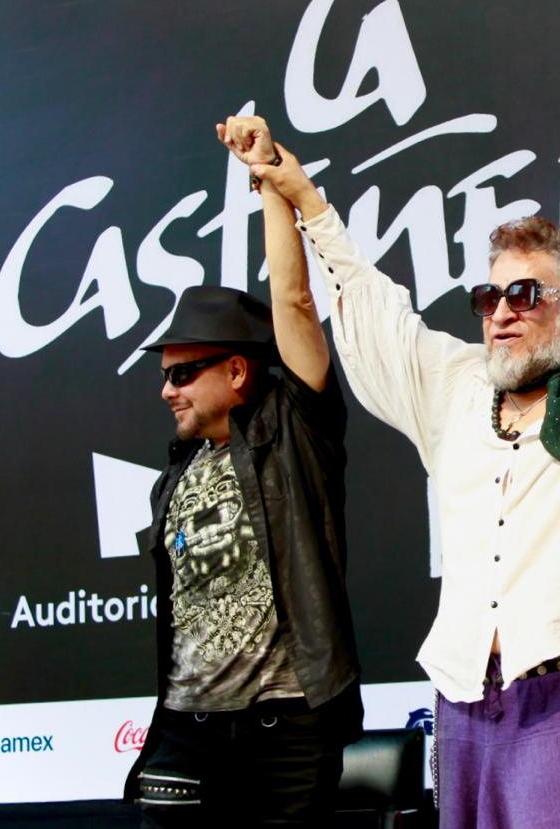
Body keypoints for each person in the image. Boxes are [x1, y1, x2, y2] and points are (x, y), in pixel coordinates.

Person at [216, 113, 560, 828]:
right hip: (464, 703)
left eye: (525, 296)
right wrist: (301, 196)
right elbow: (366, 301)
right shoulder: (455, 388)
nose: (501, 314)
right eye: (490, 298)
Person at [124, 185, 364, 824]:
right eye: (164, 376)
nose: (167, 391)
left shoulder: (293, 432)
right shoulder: (175, 472)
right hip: (184, 728)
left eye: (182, 374)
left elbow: (294, 300)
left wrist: (269, 184)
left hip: (284, 730)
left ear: (235, 372)